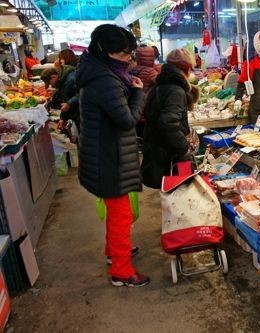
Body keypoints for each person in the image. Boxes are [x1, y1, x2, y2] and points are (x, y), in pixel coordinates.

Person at [75, 24, 149, 287]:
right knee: (120, 215)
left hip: (104, 153)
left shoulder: (97, 73)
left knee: (118, 211)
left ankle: (114, 253)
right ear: (106, 53)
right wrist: (138, 93)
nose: (129, 59)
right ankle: (121, 270)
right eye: (124, 54)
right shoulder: (105, 81)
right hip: (110, 157)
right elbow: (127, 120)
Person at [141, 48, 197, 189]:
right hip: (167, 155)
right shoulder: (176, 91)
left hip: (156, 150)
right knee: (177, 193)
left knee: (168, 194)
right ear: (186, 68)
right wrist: (184, 148)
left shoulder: (159, 86)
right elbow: (168, 122)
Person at [129, 45, 159, 139]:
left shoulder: (132, 70)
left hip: (134, 109)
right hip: (146, 111)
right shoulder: (151, 72)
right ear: (152, 57)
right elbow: (162, 83)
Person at [54, 49, 80, 132]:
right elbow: (66, 97)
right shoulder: (68, 73)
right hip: (76, 113)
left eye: (59, 58)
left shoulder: (72, 75)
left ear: (63, 60)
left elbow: (81, 93)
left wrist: (69, 104)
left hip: (81, 113)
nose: (58, 61)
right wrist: (63, 118)